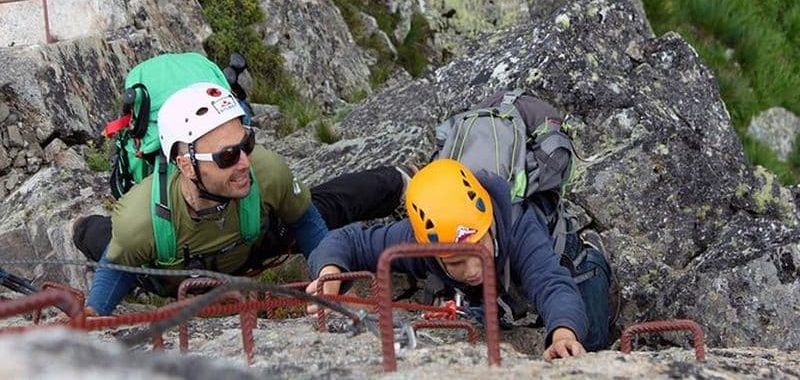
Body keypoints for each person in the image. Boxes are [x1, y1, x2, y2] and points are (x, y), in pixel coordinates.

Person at [72, 82, 411, 315]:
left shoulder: (264, 171)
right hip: (170, 275)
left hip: (253, 244)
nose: (245, 161)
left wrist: (327, 273)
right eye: (227, 156)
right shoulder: (142, 220)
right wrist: (94, 311)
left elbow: (307, 221)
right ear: (186, 165)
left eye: (246, 144)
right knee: (103, 238)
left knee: (324, 204)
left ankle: (399, 180)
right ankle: (82, 226)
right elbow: (116, 269)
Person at [306, 158, 612, 360]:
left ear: (490, 222)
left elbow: (551, 283)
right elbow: (347, 240)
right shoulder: (420, 236)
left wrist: (562, 334)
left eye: (477, 249)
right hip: (496, 282)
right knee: (475, 320)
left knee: (591, 338)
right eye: (455, 262)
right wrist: (328, 273)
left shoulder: (519, 225)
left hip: (567, 258)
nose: (473, 269)